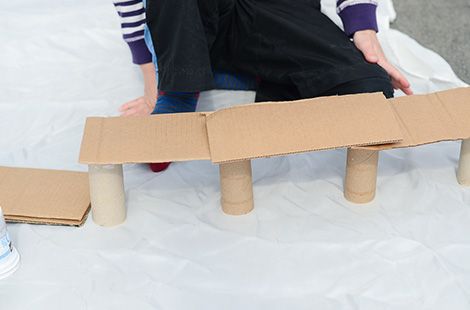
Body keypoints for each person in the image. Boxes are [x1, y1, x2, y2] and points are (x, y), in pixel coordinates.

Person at [114, 0, 412, 171]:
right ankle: (181, 90)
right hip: (192, 14)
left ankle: (248, 75)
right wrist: (155, 85)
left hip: (274, 10)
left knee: (367, 90)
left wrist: (364, 32)